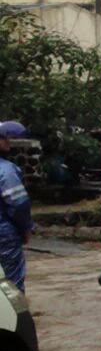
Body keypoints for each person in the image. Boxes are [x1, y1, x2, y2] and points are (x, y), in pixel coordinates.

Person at [0, 125, 34, 292]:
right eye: (3, 137)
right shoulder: (6, 171)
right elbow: (19, 204)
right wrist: (26, 228)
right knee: (12, 286)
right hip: (5, 235)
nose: (8, 140)